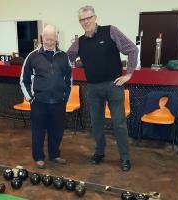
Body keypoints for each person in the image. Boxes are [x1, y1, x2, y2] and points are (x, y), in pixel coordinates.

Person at [67, 6, 138, 171]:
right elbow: (66, 58)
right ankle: (99, 152)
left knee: (119, 123)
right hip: (93, 88)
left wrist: (129, 74)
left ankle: (125, 157)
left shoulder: (110, 31)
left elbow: (132, 49)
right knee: (96, 123)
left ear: (95, 17)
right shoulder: (79, 42)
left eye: (88, 18)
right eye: (82, 20)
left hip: (114, 86)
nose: (86, 22)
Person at [20, 25, 72, 169]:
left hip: (58, 102)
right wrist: (31, 99)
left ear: (56, 38)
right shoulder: (33, 56)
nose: (50, 42)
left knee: (57, 131)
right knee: (38, 131)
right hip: (39, 102)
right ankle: (39, 157)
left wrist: (65, 97)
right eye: (47, 39)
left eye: (52, 39)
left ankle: (54, 154)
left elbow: (69, 79)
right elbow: (24, 80)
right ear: (42, 38)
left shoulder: (63, 56)